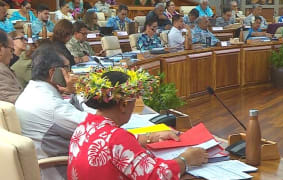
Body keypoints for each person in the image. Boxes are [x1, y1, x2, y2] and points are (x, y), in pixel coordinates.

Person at [67, 67, 209, 180]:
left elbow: (115, 147)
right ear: (123, 105)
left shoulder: (83, 127)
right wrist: (186, 159)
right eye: (134, 102)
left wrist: (151, 137)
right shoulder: (117, 138)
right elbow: (156, 175)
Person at [15, 43, 88, 180]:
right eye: (66, 68)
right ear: (53, 73)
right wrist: (77, 92)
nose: (70, 73)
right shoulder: (51, 106)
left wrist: (69, 92)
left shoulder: (32, 91)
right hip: (60, 170)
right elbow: (96, 128)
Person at [0, 29, 23, 103]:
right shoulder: (1, 72)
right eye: (11, 51)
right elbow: (19, 103)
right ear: (0, 49)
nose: (12, 57)